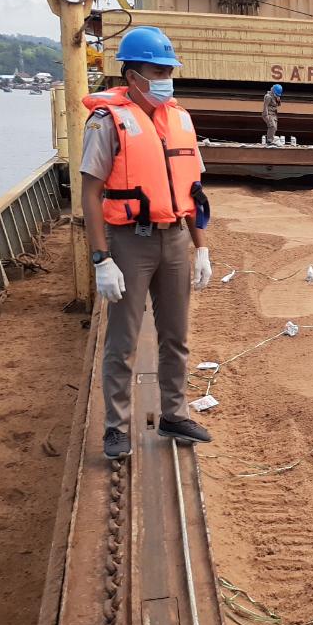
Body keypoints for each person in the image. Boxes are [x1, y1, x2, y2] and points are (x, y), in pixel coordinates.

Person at [80, 26, 214, 461]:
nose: (166, 79)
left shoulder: (180, 119)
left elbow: (193, 191)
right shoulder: (106, 122)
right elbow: (90, 193)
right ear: (132, 75)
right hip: (129, 243)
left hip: (175, 238)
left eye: (169, 71)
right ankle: (116, 427)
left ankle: (174, 414)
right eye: (158, 71)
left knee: (176, 336)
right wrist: (101, 259)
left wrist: (201, 247)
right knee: (123, 340)